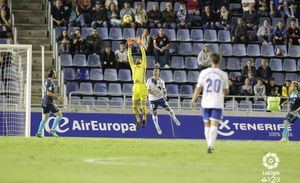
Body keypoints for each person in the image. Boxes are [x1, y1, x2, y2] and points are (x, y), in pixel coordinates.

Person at [190, 53, 229, 154]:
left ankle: (208, 145)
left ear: (210, 61)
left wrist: (193, 99)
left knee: (206, 124)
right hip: (217, 102)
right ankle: (211, 145)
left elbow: (198, 88)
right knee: (214, 124)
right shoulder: (224, 74)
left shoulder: (203, 72)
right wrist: (221, 98)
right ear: (219, 61)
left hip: (206, 102)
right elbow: (225, 91)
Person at [146, 65, 180, 135]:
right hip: (152, 99)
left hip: (160, 98)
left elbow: (164, 90)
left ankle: (174, 118)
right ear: (153, 72)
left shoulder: (161, 81)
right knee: (154, 112)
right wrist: (154, 93)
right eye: (154, 71)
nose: (155, 72)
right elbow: (148, 90)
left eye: (156, 71)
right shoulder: (149, 80)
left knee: (168, 109)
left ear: (159, 72)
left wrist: (164, 95)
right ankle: (157, 126)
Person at [36, 70, 63, 138]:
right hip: (48, 101)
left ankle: (39, 132)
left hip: (44, 101)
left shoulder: (46, 81)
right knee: (59, 115)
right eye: (54, 73)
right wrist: (57, 97)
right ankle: (53, 130)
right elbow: (48, 93)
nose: (55, 74)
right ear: (52, 74)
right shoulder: (50, 82)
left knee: (45, 118)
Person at [127, 37, 147, 129]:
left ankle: (144, 118)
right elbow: (130, 56)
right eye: (137, 58)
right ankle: (138, 120)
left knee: (143, 105)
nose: (138, 59)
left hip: (142, 86)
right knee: (134, 106)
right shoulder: (133, 66)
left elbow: (143, 54)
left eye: (139, 58)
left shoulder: (143, 65)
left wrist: (140, 45)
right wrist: (129, 47)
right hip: (135, 86)